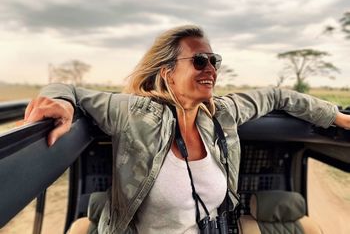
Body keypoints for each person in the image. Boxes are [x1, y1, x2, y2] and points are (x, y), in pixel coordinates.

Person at [25, 25, 350, 234]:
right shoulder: (133, 113)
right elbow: (65, 88)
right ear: (167, 73)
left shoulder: (222, 113)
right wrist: (62, 104)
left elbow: (277, 95)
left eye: (213, 60)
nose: (211, 69)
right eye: (199, 61)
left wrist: (338, 118)